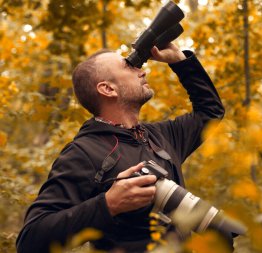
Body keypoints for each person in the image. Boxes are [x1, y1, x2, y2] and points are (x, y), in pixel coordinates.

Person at [16, 43, 225, 253]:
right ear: (107, 89)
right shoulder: (83, 152)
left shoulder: (161, 136)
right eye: (129, 67)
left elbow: (210, 112)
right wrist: (108, 204)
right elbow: (31, 239)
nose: (142, 71)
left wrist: (179, 61)